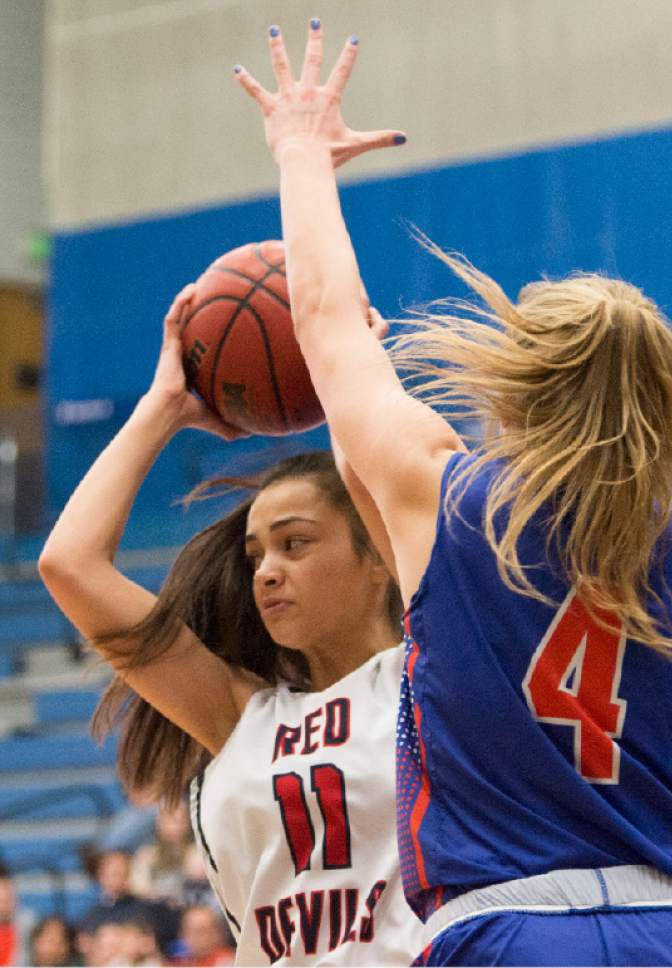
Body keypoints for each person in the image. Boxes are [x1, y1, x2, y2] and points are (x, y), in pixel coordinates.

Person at [235, 21, 672, 965]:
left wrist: (300, 151)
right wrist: (638, 776)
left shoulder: (439, 496)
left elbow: (322, 321)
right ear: (664, 397)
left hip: (507, 928)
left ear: (513, 385)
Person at [37, 290, 424, 966]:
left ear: (376, 558)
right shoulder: (240, 712)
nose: (266, 572)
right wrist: (162, 411)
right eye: (255, 555)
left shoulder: (431, 678)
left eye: (295, 544)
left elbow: (404, 486)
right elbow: (69, 565)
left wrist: (358, 381)